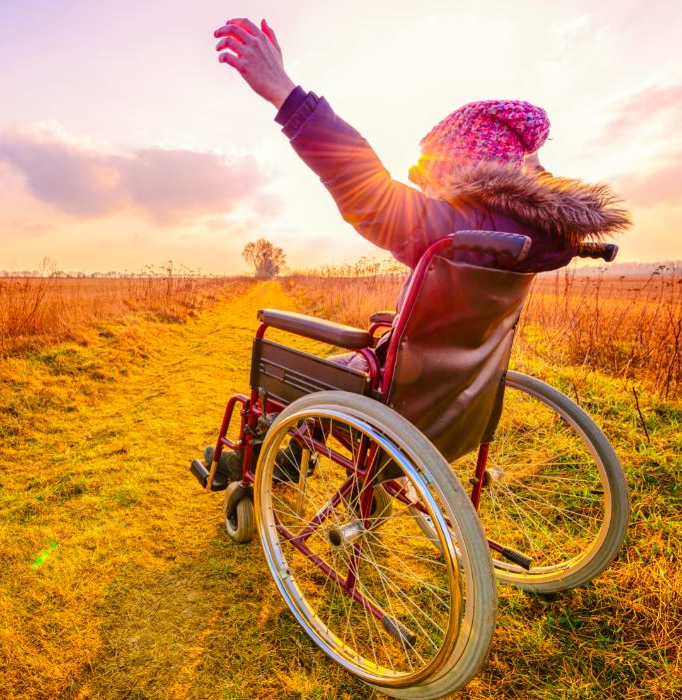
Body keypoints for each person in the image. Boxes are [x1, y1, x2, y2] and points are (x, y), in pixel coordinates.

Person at [205, 17, 630, 484]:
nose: (421, 182)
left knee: (290, 367)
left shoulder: (461, 230)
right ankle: (293, 457)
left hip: (398, 394)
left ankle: (248, 466)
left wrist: (285, 93)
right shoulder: (535, 240)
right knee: (345, 367)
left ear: (467, 168)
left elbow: (365, 191)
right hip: (456, 398)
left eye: (433, 169)